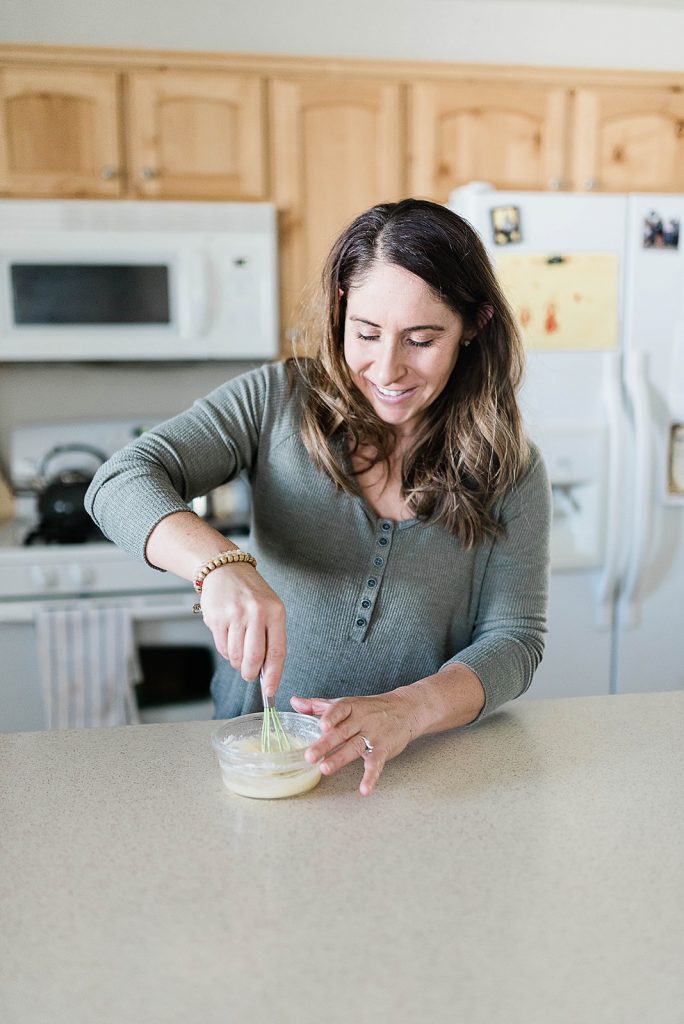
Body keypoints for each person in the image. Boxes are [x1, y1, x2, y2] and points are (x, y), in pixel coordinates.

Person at [85, 198, 551, 796]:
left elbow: (515, 640)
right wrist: (219, 565)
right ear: (341, 311)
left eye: (421, 339)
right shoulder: (275, 400)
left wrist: (408, 710)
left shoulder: (510, 468)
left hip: (426, 775)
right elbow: (121, 479)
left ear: (474, 325)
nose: (388, 368)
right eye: (368, 333)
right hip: (264, 763)